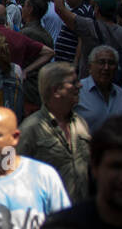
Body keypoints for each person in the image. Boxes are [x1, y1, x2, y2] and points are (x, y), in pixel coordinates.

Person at [17, 63, 91, 204]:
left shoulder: (80, 123)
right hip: (48, 218)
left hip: (79, 214)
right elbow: (11, 175)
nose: (80, 86)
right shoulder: (30, 129)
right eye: (73, 82)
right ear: (56, 90)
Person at [75, 44, 122, 134]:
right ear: (90, 67)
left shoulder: (121, 94)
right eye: (101, 62)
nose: (106, 68)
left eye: (111, 63)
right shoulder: (77, 90)